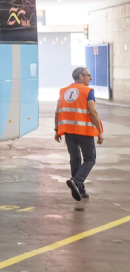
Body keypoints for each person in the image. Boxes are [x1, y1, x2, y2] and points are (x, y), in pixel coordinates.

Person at [55, 66, 105, 200]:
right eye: (89, 75)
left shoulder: (63, 91)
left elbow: (57, 112)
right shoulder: (88, 91)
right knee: (90, 159)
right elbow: (93, 112)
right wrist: (100, 131)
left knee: (75, 159)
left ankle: (80, 190)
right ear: (81, 76)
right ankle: (76, 181)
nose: (91, 78)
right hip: (84, 131)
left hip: (69, 132)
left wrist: (57, 130)